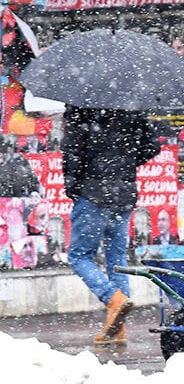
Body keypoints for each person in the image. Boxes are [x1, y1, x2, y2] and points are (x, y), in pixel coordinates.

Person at [62, 105, 160, 347]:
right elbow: (153, 146)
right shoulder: (130, 107)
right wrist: (124, 164)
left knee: (79, 256)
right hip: (123, 193)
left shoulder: (80, 109)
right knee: (117, 260)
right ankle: (117, 330)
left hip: (93, 193)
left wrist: (74, 186)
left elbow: (72, 153)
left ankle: (113, 299)